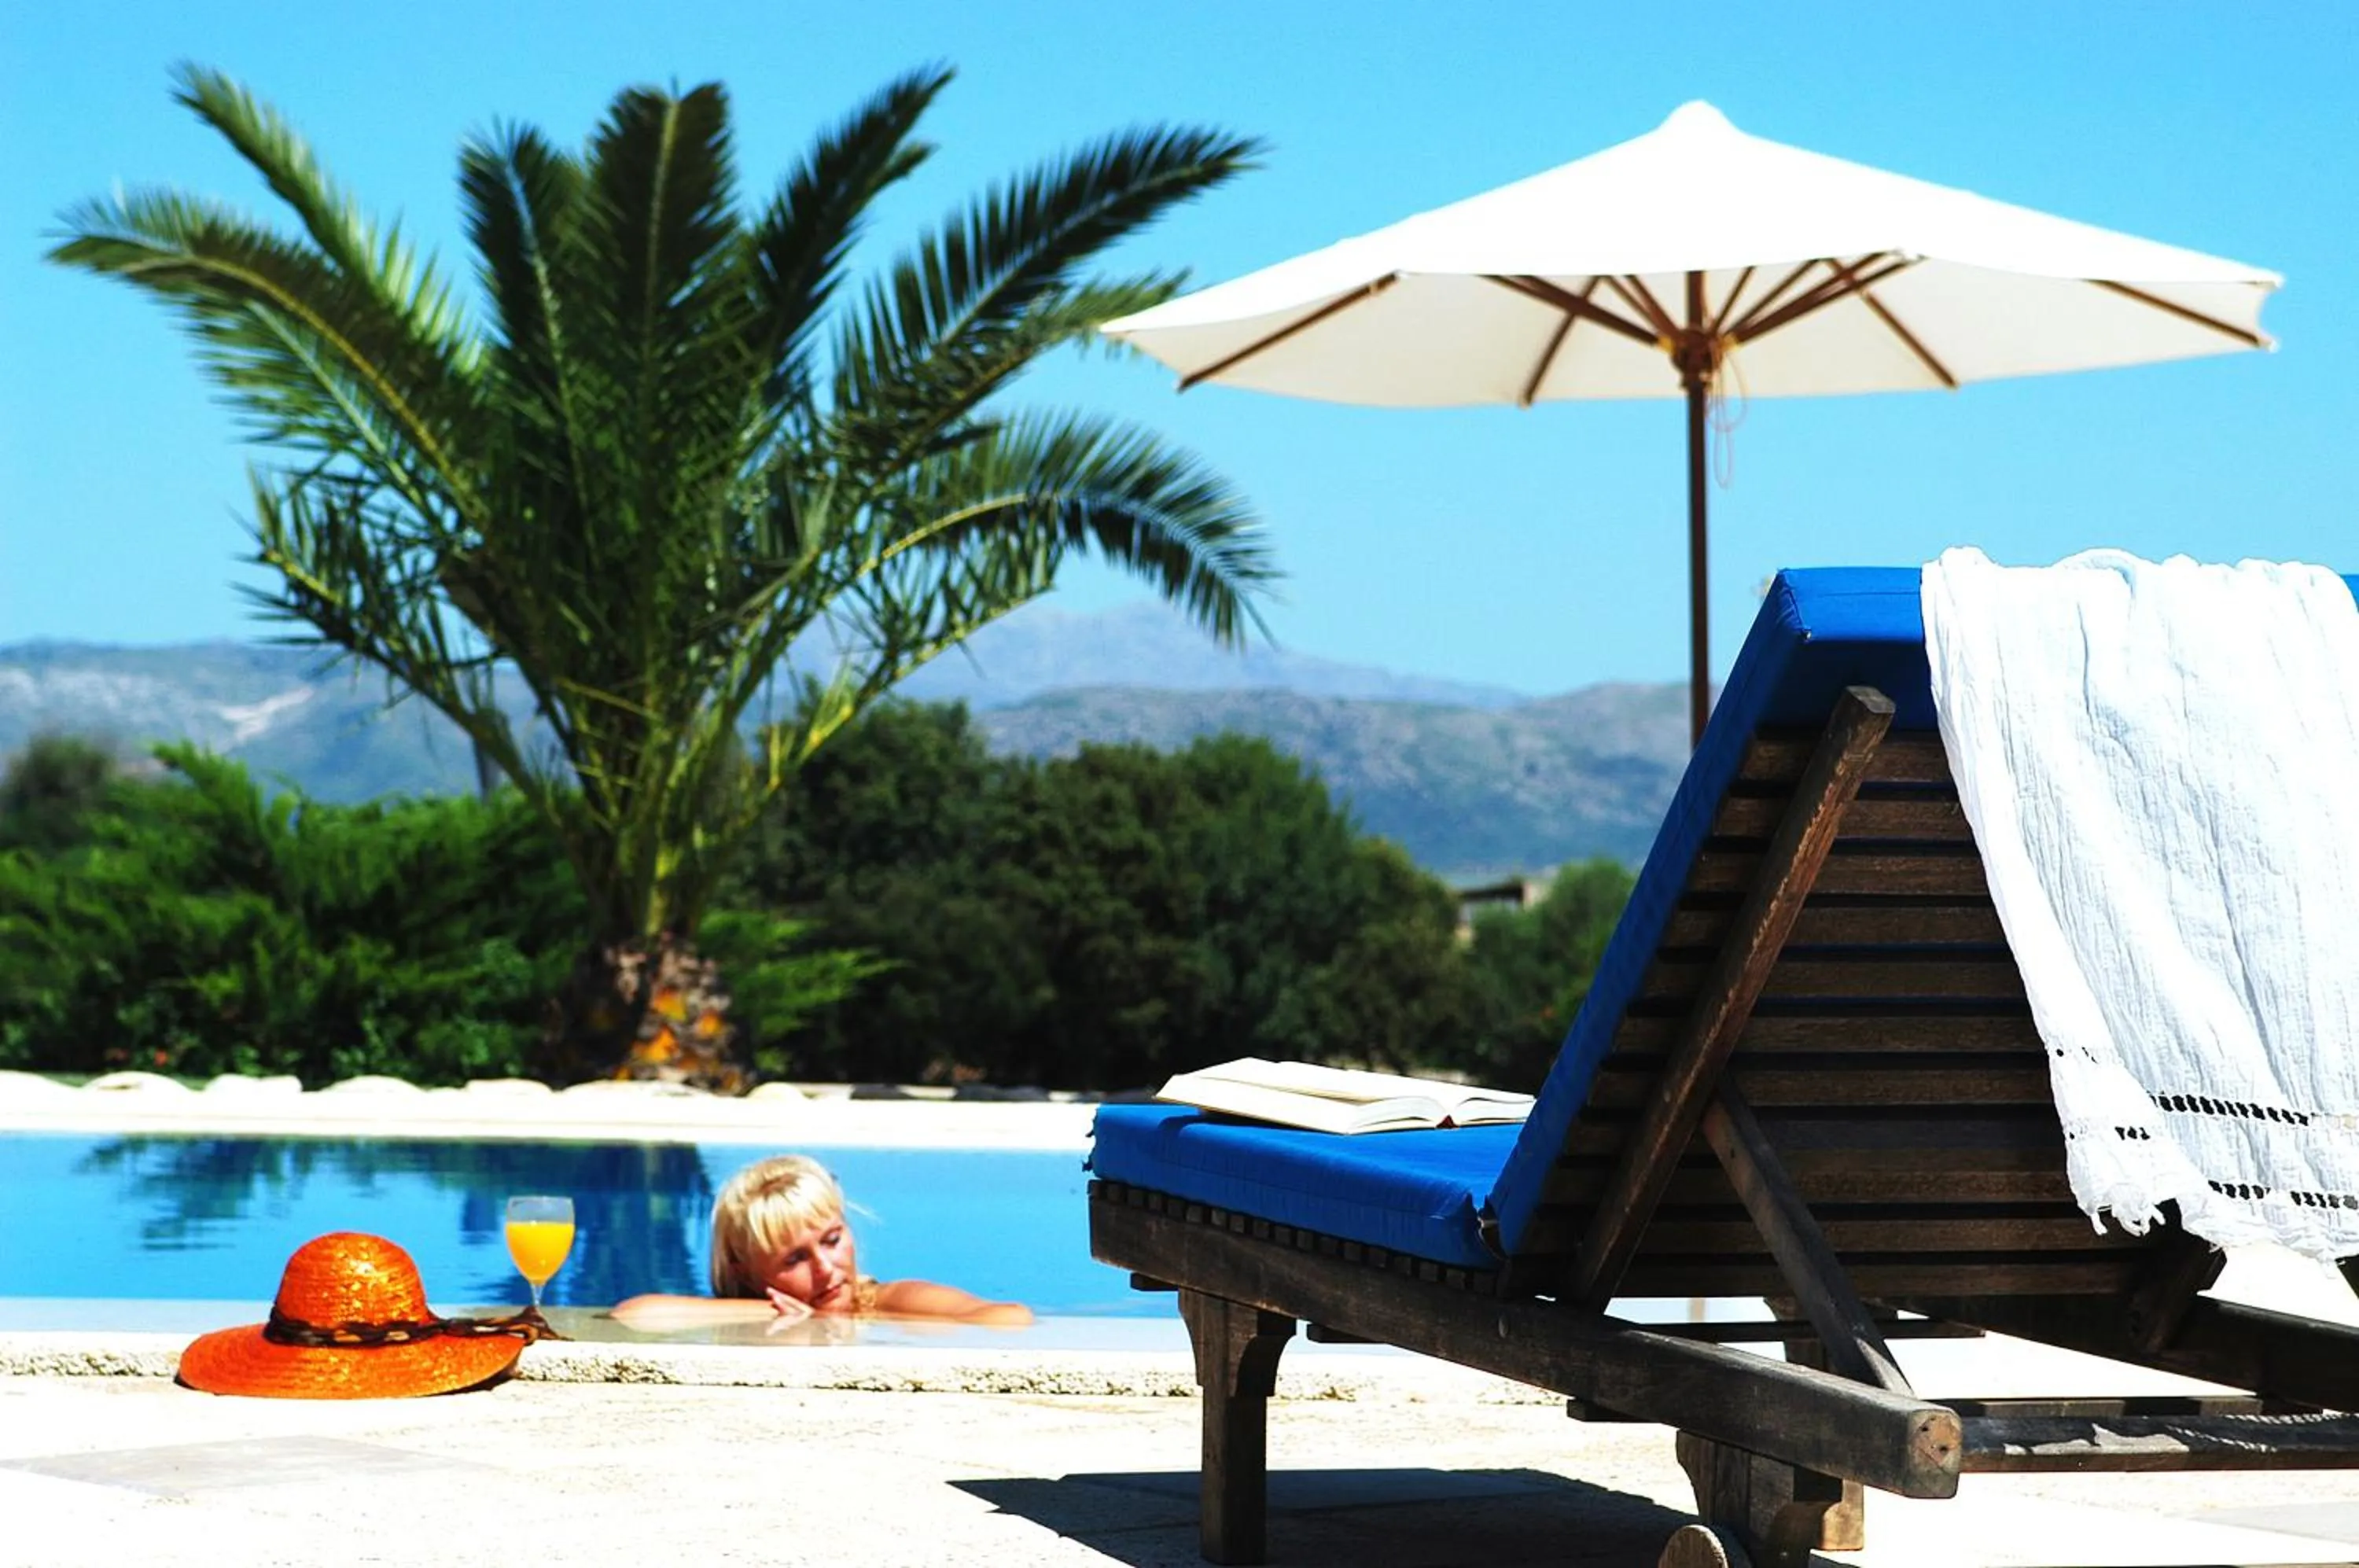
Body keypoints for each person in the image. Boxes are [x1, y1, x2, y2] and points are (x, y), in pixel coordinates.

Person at [611, 1154, 1032, 1331]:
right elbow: (634, 1314)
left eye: (832, 1240)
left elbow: (1009, 1318)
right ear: (743, 1269)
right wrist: (767, 1312)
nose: (826, 1269)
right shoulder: (742, 1313)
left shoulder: (880, 1301)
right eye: (794, 1258)